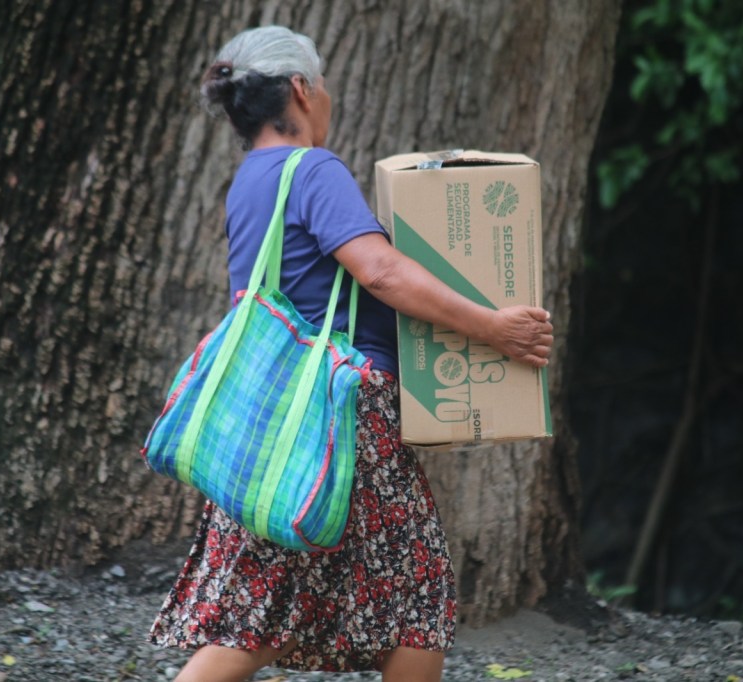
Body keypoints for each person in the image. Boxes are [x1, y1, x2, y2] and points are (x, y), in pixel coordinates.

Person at [148, 26, 554, 682]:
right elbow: (381, 272)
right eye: (325, 85)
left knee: (262, 613)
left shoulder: (249, 181)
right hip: (340, 419)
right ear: (303, 90)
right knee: (417, 600)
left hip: (272, 429)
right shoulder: (312, 169)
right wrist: (492, 328)